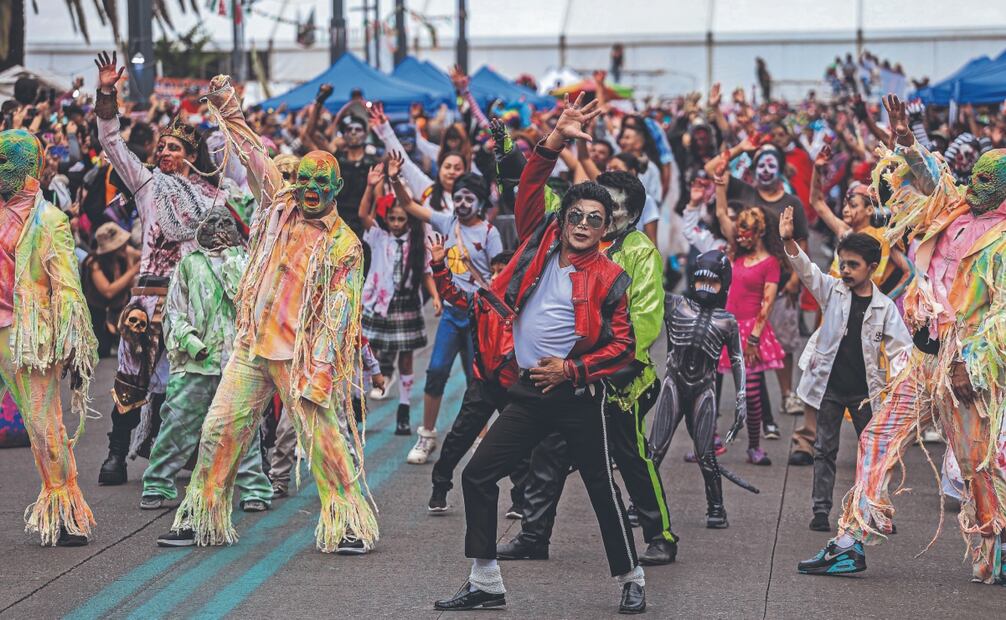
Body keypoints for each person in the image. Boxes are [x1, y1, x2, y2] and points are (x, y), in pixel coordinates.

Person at [434, 94, 645, 615]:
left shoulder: (612, 277)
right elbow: (529, 182)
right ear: (564, 216)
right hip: (526, 390)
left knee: (600, 486)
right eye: (575, 214)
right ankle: (485, 581)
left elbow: (624, 347)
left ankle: (632, 576)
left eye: (594, 219)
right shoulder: (539, 239)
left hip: (576, 395)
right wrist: (556, 137)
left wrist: (573, 369)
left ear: (606, 229)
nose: (582, 224)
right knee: (477, 476)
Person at [155, 75, 378, 555]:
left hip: (298, 359)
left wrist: (320, 370)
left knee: (324, 443)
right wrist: (227, 105)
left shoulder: (344, 246)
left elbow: (339, 315)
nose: (310, 189)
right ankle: (201, 515)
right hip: (251, 346)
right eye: (304, 180)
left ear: (337, 187)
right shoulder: (279, 204)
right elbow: (254, 151)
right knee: (219, 430)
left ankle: (349, 523)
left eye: (321, 182)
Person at [798, 95, 1006, 584]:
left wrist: (973, 364)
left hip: (963, 370)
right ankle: (850, 541)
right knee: (876, 438)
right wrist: (907, 138)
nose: (972, 185)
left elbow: (1002, 315)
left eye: (985, 180)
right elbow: (933, 180)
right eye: (972, 176)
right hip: (922, 360)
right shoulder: (952, 211)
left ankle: (996, 544)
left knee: (976, 465)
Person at [499, 169, 678, 567]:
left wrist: (596, 366)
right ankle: (533, 536)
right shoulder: (573, 241)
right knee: (548, 453)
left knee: (630, 456)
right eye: (588, 210)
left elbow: (644, 322)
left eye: (608, 208)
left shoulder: (639, 251)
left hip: (620, 381)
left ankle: (660, 536)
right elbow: (544, 200)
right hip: (564, 377)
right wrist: (514, 157)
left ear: (630, 214)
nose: (592, 218)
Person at [93, 52, 225, 486]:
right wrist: (108, 92)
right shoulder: (146, 183)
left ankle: (174, 450)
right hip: (147, 298)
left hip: (190, 301)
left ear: (191, 154)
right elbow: (112, 141)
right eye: (162, 146)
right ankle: (115, 455)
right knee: (132, 375)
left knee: (186, 379)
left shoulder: (210, 198)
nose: (165, 152)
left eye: (175, 147)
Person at [779, 208, 912, 532]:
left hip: (866, 393)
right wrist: (789, 242)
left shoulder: (884, 308)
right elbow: (807, 271)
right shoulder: (831, 291)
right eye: (842, 264)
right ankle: (821, 510)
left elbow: (902, 350)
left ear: (872, 267)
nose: (846, 271)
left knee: (873, 452)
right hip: (830, 390)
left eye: (853, 265)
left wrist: (901, 382)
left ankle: (870, 507)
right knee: (824, 449)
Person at [0, 128, 98, 546]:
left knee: (44, 427)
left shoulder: (50, 221)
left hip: (28, 335)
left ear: (26, 170)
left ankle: (66, 509)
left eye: (6, 161)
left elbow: (69, 289)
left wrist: (73, 345)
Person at [139, 207, 273, 513]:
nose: (219, 228)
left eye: (226, 223)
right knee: (179, 424)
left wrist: (231, 261)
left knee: (244, 428)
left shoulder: (247, 262)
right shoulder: (189, 264)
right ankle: (158, 482)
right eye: (212, 223)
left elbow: (252, 303)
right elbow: (174, 312)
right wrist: (190, 342)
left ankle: (254, 488)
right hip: (195, 363)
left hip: (237, 363)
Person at [789, 144, 914, 467]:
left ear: (870, 208)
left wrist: (888, 297)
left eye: (853, 203)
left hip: (866, 316)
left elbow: (909, 271)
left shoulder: (884, 238)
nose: (846, 208)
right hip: (832, 307)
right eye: (845, 202)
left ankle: (876, 448)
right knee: (819, 371)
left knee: (868, 382)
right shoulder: (844, 233)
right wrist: (818, 168)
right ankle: (806, 439)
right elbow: (816, 201)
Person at [386, 153, 502, 465]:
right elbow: (410, 206)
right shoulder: (446, 221)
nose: (462, 204)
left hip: (479, 317)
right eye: (458, 198)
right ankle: (427, 437)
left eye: (469, 199)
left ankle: (481, 440)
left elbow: (498, 277)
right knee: (436, 372)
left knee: (477, 381)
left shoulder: (491, 234)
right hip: (452, 314)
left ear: (480, 203)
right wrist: (396, 178)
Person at [707, 141, 809, 423]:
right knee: (748, 355)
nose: (765, 170)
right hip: (746, 295)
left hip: (780, 283)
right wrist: (731, 161)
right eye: (760, 164)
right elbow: (718, 208)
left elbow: (802, 244)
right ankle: (755, 413)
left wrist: (797, 281)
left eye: (770, 164)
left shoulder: (792, 203)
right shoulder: (746, 196)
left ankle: (786, 395)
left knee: (782, 343)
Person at [648, 250, 749, 528]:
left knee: (706, 454)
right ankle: (640, 503)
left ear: (724, 285)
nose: (706, 286)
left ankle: (716, 508)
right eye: (701, 280)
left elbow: (738, 360)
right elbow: (647, 290)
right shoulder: (675, 304)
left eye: (714, 282)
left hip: (704, 388)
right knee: (654, 451)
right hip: (674, 383)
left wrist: (742, 398)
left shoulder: (727, 321)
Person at [427, 247, 514, 513]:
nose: (498, 275)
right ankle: (440, 486)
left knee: (521, 444)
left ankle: (522, 501)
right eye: (495, 270)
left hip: (514, 386)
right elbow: (451, 293)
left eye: (504, 270)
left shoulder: (526, 304)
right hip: (484, 383)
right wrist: (440, 265)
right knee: (459, 438)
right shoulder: (479, 300)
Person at [358, 162, 435, 435]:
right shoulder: (379, 237)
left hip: (406, 303)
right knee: (368, 353)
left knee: (405, 357)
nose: (397, 224)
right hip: (379, 303)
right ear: (387, 219)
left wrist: (435, 297)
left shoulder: (418, 241)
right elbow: (363, 214)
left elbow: (426, 272)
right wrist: (370, 186)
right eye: (392, 219)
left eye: (402, 219)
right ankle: (361, 403)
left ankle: (403, 409)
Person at [714, 178, 784, 464]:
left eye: (746, 230)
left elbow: (767, 304)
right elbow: (721, 215)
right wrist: (720, 186)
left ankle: (754, 446)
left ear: (759, 232)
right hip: (724, 328)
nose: (740, 234)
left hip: (751, 332)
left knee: (753, 394)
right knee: (708, 387)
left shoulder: (770, 263)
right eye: (739, 229)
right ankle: (708, 440)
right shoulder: (736, 255)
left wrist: (754, 338)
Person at [80, 222, 140, 357]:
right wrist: (133, 271)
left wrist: (132, 262)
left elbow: (142, 255)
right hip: (98, 313)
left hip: (119, 309)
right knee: (102, 350)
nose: (125, 246)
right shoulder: (94, 262)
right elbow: (108, 291)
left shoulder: (123, 254)